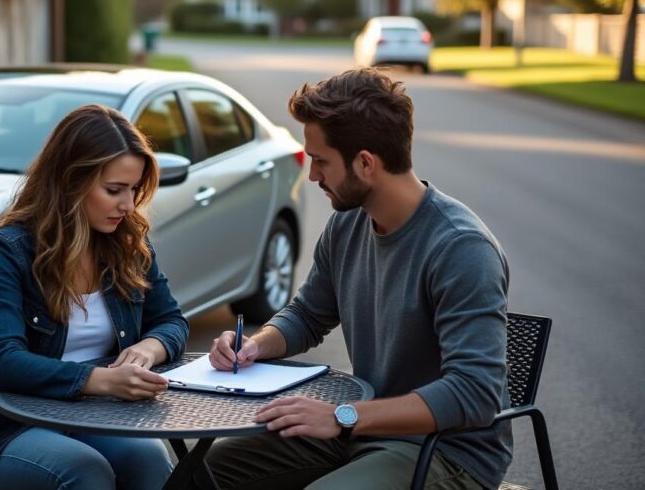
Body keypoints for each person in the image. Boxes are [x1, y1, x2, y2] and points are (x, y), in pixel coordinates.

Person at [206, 68, 511, 490]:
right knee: (209, 469)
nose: (312, 176)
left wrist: (341, 416)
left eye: (320, 161)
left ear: (365, 163)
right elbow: (308, 315)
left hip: (445, 452)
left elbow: (474, 393)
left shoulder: (461, 249)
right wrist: (253, 346)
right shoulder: (349, 223)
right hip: (363, 424)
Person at [0, 104, 189, 490]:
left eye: (133, 190)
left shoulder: (128, 241)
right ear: (70, 181)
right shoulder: (11, 248)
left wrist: (149, 348)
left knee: (149, 458)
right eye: (114, 190)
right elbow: (2, 361)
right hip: (7, 429)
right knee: (85, 470)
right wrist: (100, 380)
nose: (128, 205)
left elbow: (172, 321)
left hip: (96, 418)